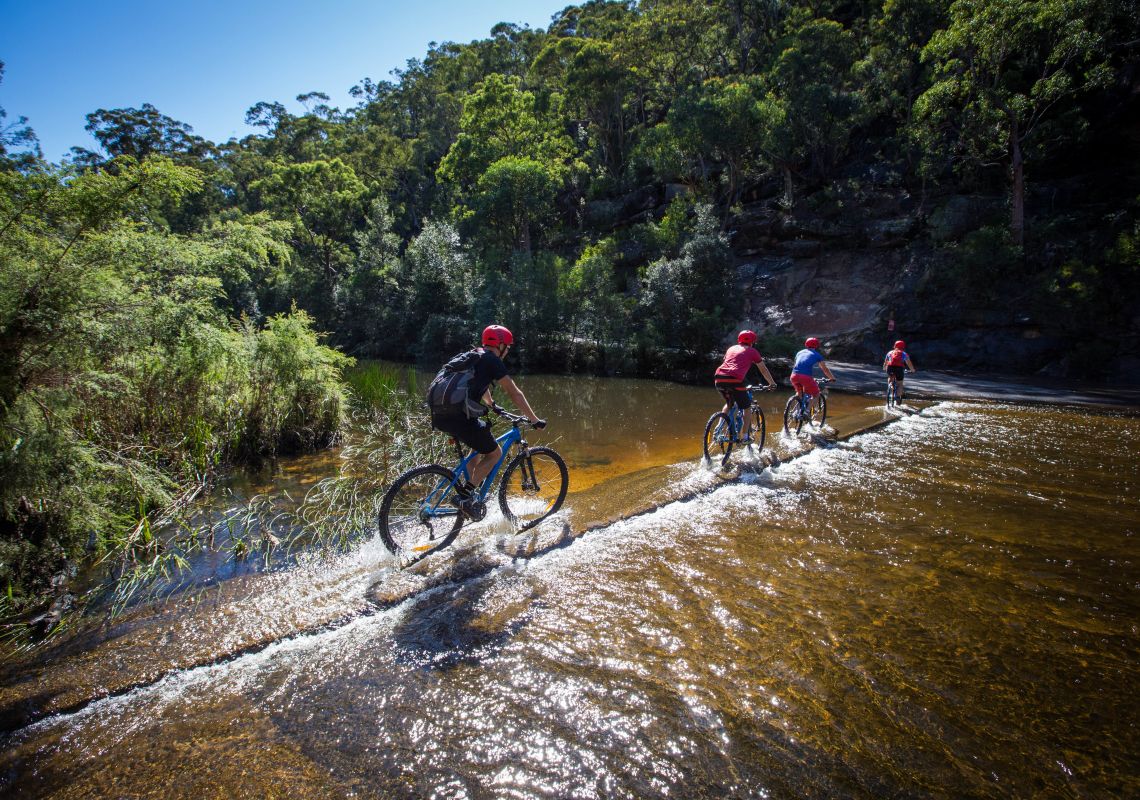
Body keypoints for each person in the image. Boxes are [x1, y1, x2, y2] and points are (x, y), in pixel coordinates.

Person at [430, 324, 545, 513]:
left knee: (477, 446)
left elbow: (477, 383)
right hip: (459, 417)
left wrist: (491, 404)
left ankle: (467, 487)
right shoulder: (492, 360)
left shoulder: (473, 355)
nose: (507, 351)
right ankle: (465, 496)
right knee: (495, 453)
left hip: (440, 415)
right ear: (500, 345)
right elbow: (514, 393)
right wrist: (534, 419)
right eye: (507, 347)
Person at [713, 330, 777, 443]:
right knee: (747, 407)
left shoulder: (731, 348)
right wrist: (772, 383)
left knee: (730, 403)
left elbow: (731, 362)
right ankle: (745, 436)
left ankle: (718, 429)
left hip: (719, 377)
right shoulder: (753, 351)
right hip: (735, 379)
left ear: (739, 339)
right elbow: (763, 369)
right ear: (752, 341)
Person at [790, 337, 836, 413]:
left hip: (794, 375)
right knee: (816, 395)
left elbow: (796, 364)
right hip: (806, 377)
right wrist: (832, 378)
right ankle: (807, 411)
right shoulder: (817, 355)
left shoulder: (799, 352)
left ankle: (796, 411)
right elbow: (824, 369)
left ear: (806, 344)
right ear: (816, 346)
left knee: (799, 393)